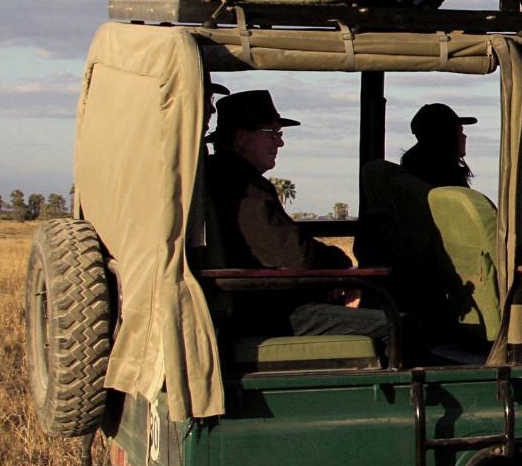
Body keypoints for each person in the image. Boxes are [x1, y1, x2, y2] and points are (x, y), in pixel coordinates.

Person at [203, 90, 393, 346]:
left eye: (279, 134)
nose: (279, 143)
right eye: (272, 133)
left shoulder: (232, 179)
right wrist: (341, 267)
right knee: (402, 325)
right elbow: (295, 255)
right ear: (241, 137)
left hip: (261, 304)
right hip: (267, 312)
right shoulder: (240, 187)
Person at [398, 102, 478, 189]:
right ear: (445, 135)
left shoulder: (410, 175)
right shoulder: (449, 181)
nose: (464, 136)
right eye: (459, 131)